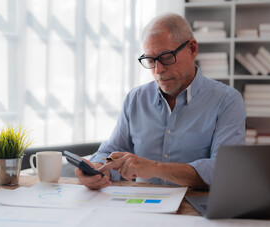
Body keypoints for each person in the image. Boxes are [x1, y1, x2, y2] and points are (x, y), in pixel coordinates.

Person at [75, 13, 246, 190]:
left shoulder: (227, 101)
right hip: (143, 209)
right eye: (150, 60)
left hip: (196, 211)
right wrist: (99, 168)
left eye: (166, 57)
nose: (158, 70)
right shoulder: (135, 99)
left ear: (192, 49)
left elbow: (225, 170)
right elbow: (112, 151)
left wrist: (154, 168)